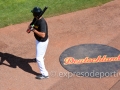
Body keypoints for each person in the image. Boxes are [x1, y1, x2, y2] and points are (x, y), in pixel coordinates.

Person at [26, 7, 49, 79]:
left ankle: (45, 74)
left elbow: (43, 35)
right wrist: (29, 28)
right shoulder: (35, 19)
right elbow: (31, 25)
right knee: (38, 52)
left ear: (35, 14)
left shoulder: (42, 22)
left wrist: (33, 30)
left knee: (39, 58)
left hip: (42, 41)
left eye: (33, 13)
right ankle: (38, 58)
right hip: (38, 40)